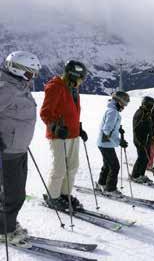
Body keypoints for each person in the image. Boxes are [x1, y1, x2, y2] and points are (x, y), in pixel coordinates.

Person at [0, 51, 41, 244]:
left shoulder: (20, 86)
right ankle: (3, 231)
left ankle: (7, 224)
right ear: (18, 69)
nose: (33, 76)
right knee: (11, 195)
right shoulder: (5, 89)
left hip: (19, 148)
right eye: (30, 72)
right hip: (7, 151)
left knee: (16, 194)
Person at [40, 60, 88, 211]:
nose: (82, 81)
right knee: (59, 168)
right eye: (81, 77)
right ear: (73, 75)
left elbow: (72, 112)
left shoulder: (73, 88)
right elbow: (45, 113)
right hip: (59, 134)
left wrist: (78, 129)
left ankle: (64, 194)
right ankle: (52, 197)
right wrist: (55, 127)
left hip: (72, 134)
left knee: (72, 166)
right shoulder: (55, 87)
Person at [96, 91, 130, 196]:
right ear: (118, 102)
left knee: (107, 165)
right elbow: (107, 130)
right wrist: (119, 141)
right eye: (124, 103)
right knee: (115, 166)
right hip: (106, 143)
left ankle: (102, 183)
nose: (124, 106)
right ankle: (110, 189)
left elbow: (110, 127)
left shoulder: (113, 111)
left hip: (105, 143)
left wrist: (118, 129)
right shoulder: (113, 112)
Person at [131, 96, 154, 183]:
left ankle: (141, 174)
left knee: (146, 158)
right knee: (142, 158)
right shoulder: (140, 113)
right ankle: (135, 175)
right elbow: (136, 130)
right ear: (144, 104)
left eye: (152, 106)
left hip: (146, 140)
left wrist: (152, 134)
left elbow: (148, 126)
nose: (151, 107)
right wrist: (140, 142)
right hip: (140, 141)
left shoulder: (146, 113)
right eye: (149, 105)